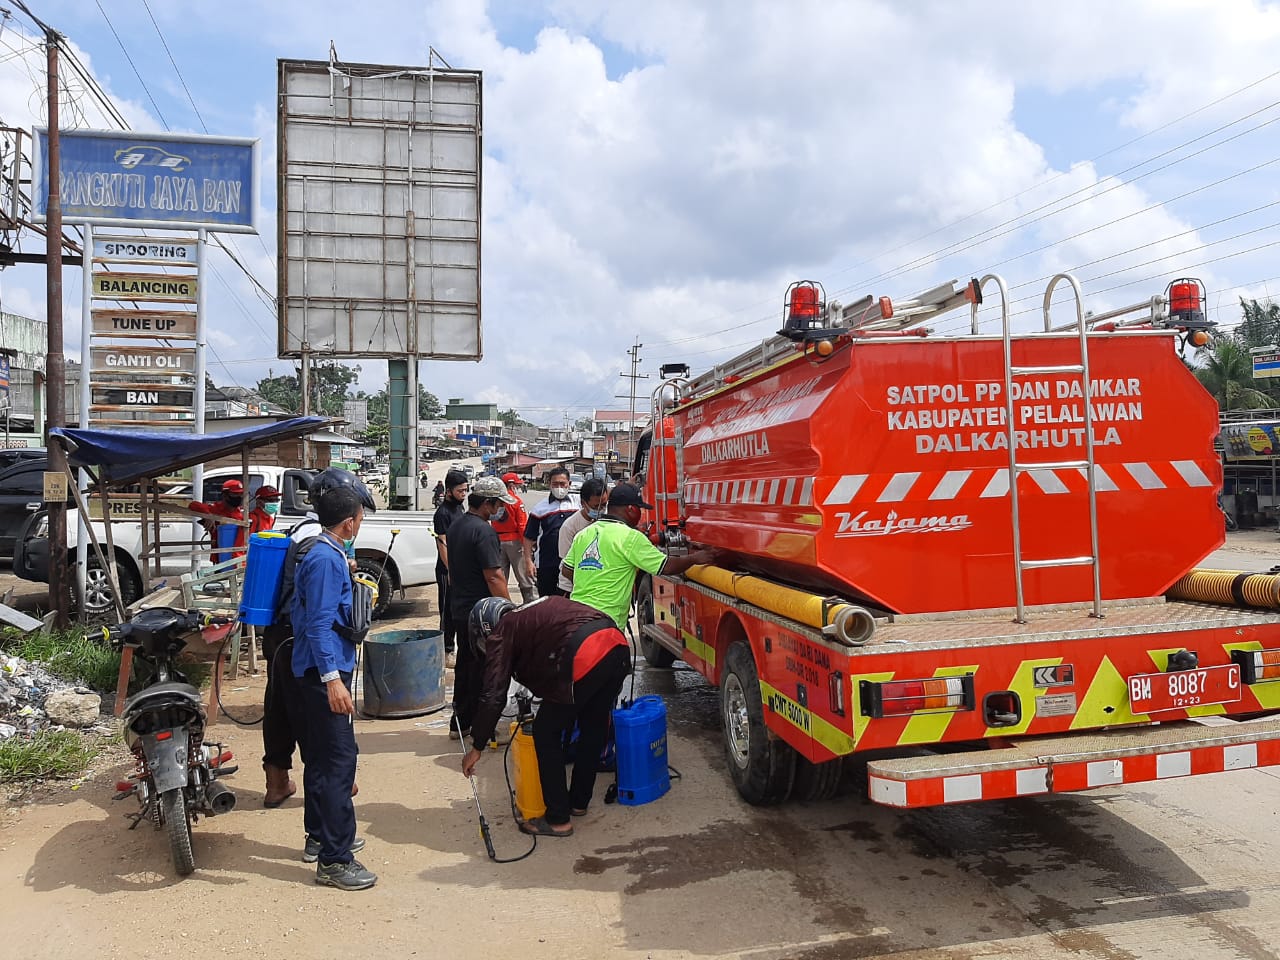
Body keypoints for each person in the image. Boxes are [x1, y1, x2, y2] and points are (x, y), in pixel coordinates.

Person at [462, 595, 628, 837]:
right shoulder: (530, 612)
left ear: (485, 628)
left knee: (545, 731)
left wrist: (477, 746)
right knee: (593, 725)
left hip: (586, 654)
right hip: (617, 646)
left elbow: (494, 694)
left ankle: (558, 819)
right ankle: (578, 802)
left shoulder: (502, 630)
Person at [260, 468, 375, 809]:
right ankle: (330, 794)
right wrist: (331, 677)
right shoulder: (318, 544)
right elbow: (318, 615)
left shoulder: (306, 531)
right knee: (317, 725)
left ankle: (280, 782)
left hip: (286, 635)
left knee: (281, 710)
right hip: (302, 641)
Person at [288, 484, 376, 890]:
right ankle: (335, 859)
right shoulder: (325, 559)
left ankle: (320, 835)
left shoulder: (328, 553)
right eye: (360, 517)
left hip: (318, 669)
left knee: (322, 759)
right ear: (349, 523)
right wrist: (332, 681)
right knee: (339, 761)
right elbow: (319, 625)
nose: (360, 523)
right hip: (322, 673)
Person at [562, 483, 714, 629]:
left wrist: (593, 578)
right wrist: (695, 558)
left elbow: (566, 570)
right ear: (631, 509)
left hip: (576, 619)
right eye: (640, 509)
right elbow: (665, 567)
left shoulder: (584, 533)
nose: (641, 514)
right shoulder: (630, 537)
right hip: (605, 623)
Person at [445, 475, 514, 740]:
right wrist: (509, 609)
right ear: (487, 503)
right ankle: (483, 730)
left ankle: (460, 723)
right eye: (498, 504)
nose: (501, 509)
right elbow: (494, 576)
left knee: (466, 667)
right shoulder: (484, 531)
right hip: (483, 614)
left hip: (460, 609)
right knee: (487, 671)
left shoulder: (457, 525)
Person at [523, 466, 579, 598]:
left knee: (571, 602)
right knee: (547, 601)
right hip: (546, 564)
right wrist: (528, 562)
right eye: (555, 484)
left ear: (569, 484)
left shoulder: (578, 505)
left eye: (562, 484)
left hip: (573, 564)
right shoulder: (539, 509)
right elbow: (528, 538)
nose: (559, 487)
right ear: (549, 484)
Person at [432, 469, 470, 657]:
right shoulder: (442, 513)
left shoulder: (460, 509)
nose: (463, 494)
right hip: (447, 570)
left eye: (465, 490)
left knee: (460, 609)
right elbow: (442, 544)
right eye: (460, 491)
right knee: (447, 611)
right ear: (448, 491)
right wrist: (451, 571)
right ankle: (446, 650)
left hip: (462, 568)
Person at [556, 478, 607, 596]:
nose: (601, 510)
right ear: (583, 503)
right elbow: (566, 567)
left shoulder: (607, 521)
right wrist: (586, 585)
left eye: (604, 505)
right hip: (572, 588)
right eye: (596, 507)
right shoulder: (570, 527)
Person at [492, 472, 536, 604]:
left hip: (498, 540)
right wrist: (526, 545)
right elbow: (522, 525)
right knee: (523, 576)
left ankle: (500, 605)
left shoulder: (495, 502)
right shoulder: (516, 502)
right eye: (516, 485)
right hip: (515, 541)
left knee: (500, 576)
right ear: (511, 485)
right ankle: (529, 603)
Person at [189, 478, 245, 562]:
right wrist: (208, 515)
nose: (239, 497)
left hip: (239, 558)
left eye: (241, 494)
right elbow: (193, 505)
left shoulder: (242, 514)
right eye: (235, 494)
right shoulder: (215, 509)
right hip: (220, 557)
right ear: (225, 495)